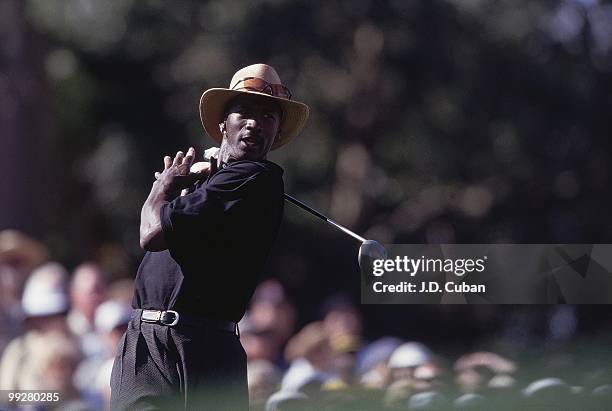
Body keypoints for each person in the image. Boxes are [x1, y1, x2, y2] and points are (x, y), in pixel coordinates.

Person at [110, 63, 309, 410]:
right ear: (223, 124)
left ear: (276, 133)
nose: (254, 124)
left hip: (204, 347)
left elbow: (151, 233)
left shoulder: (254, 177)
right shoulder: (213, 181)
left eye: (267, 117)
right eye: (244, 113)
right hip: (149, 345)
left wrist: (161, 187)